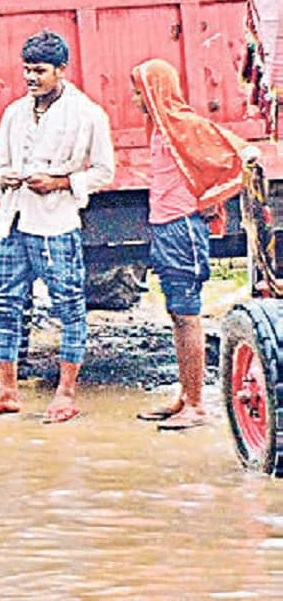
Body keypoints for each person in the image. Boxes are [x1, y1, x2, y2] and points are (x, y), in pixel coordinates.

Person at [0, 30, 115, 424]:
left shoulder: (87, 114)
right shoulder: (15, 111)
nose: (31, 78)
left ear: (61, 70)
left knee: (68, 305)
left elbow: (103, 172)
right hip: (14, 220)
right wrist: (6, 179)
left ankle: (65, 394)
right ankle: (6, 391)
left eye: (40, 71)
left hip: (57, 222)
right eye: (27, 70)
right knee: (3, 302)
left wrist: (60, 183)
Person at [131, 59, 245, 431]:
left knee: (187, 313)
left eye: (140, 91)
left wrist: (210, 199)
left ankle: (196, 405)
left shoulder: (187, 126)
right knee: (176, 314)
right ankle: (185, 395)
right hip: (166, 226)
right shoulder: (163, 130)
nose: (136, 99)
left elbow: (237, 154)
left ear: (156, 91)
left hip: (181, 228)